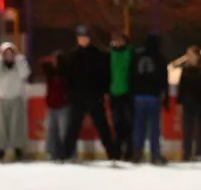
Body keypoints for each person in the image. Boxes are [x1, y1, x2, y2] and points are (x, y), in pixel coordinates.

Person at [62, 25, 120, 162]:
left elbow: (105, 76)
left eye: (85, 37)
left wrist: (103, 92)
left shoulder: (98, 55)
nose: (83, 39)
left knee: (102, 126)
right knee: (73, 127)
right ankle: (65, 154)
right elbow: (68, 79)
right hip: (78, 97)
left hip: (94, 96)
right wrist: (70, 95)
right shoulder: (72, 56)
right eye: (81, 37)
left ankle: (113, 154)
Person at [0, 41, 30, 163]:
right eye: (5, 54)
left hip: (16, 97)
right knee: (2, 126)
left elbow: (25, 73)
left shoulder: (19, 64)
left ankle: (18, 149)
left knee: (17, 125)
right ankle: (1, 149)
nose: (8, 56)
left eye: (11, 53)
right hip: (2, 98)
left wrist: (18, 60)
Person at [130, 33, 168, 165]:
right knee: (154, 128)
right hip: (153, 96)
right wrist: (164, 94)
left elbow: (131, 75)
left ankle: (137, 153)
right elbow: (164, 78)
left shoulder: (137, 56)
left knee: (138, 127)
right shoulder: (160, 58)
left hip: (139, 96)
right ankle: (155, 154)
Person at [172, 46, 201, 162]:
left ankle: (199, 152)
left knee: (198, 128)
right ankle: (186, 152)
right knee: (187, 128)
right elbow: (181, 87)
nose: (188, 56)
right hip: (187, 102)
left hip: (198, 103)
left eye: (191, 54)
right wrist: (179, 102)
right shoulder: (185, 70)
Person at [108, 30, 134, 162]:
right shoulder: (110, 54)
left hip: (127, 94)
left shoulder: (130, 53)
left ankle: (129, 152)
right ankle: (117, 152)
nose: (116, 42)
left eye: (119, 40)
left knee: (128, 124)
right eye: (115, 40)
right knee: (117, 124)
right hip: (114, 94)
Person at [41, 51, 70, 162]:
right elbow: (42, 63)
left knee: (64, 131)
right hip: (52, 106)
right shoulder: (50, 72)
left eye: (56, 60)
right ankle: (51, 153)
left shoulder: (66, 74)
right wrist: (50, 59)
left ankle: (66, 153)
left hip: (63, 106)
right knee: (51, 131)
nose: (53, 61)